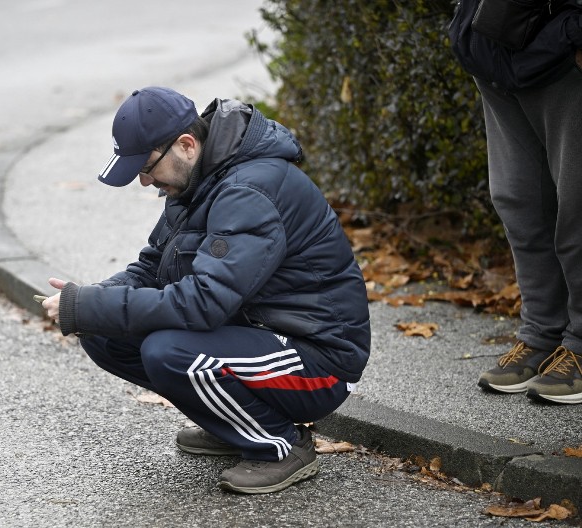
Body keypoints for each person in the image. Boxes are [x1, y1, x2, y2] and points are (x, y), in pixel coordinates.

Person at [41, 86, 371, 493]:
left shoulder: (249, 192)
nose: (144, 182)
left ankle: (282, 447)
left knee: (168, 352)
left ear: (186, 145)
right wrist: (93, 299)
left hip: (319, 360)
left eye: (146, 167)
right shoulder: (195, 180)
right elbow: (152, 267)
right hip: (258, 332)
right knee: (103, 333)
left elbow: (202, 303)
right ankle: (236, 424)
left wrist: (92, 304)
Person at [449, 0, 582, 404]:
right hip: (496, 45)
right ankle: (543, 334)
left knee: (577, 204)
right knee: (519, 201)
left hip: (563, 45)